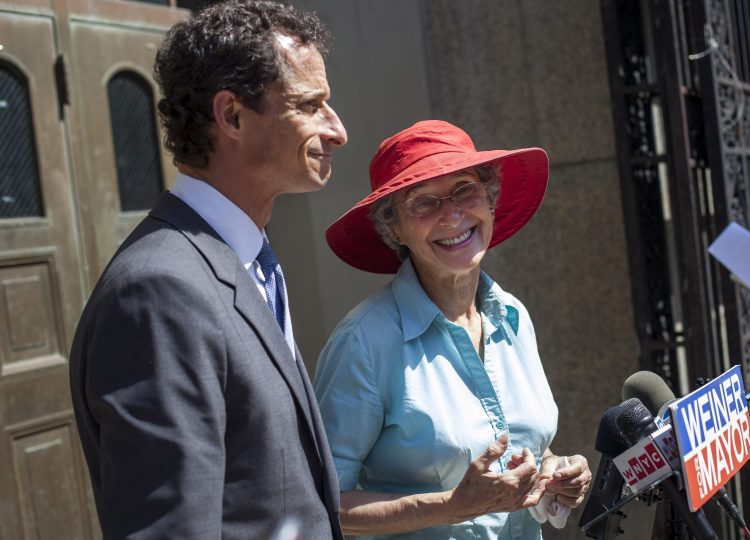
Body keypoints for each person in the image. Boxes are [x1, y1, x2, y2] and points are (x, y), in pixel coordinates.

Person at [68, 1, 347, 538]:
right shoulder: (159, 292)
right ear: (232, 115)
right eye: (310, 105)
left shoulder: (242, 259)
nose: (336, 129)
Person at [314, 120, 591, 539]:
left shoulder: (512, 316)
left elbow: (521, 446)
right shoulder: (363, 343)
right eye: (423, 202)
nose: (452, 214)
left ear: (490, 199)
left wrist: (554, 469)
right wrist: (451, 507)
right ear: (395, 230)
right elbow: (322, 503)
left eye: (465, 190)